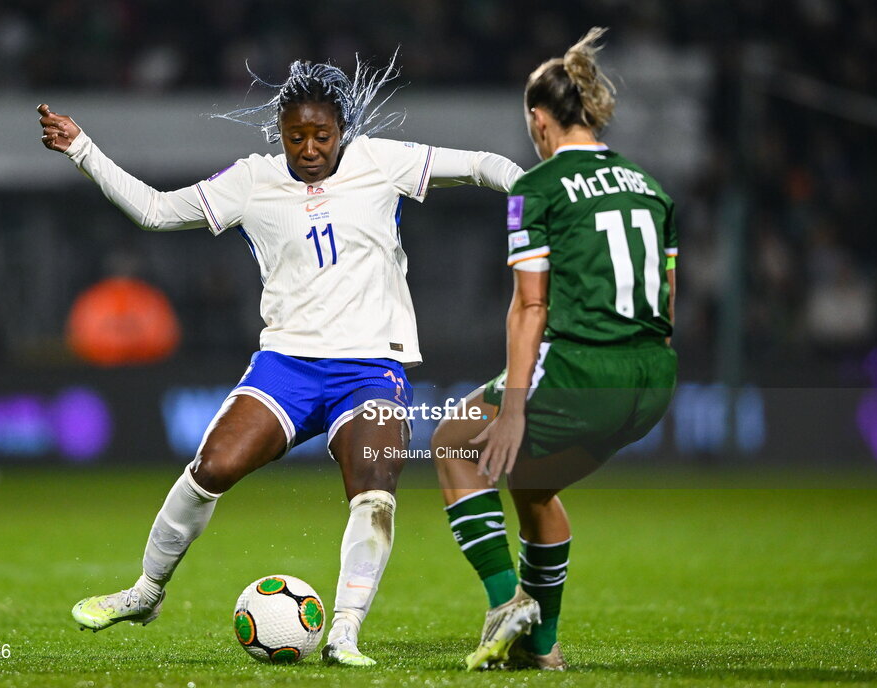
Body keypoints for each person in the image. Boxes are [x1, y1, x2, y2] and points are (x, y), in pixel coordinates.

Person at [38, 55, 523, 667]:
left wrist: (531, 190)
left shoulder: (383, 162)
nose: (310, 148)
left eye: (322, 135)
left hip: (370, 367)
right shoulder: (252, 180)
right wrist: (83, 148)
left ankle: (344, 631)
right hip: (287, 366)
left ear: (342, 130)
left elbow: (483, 166)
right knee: (210, 468)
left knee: (374, 491)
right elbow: (156, 211)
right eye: (297, 136)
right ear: (281, 132)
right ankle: (145, 592)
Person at [432, 27, 678, 671]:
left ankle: (504, 603)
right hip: (653, 380)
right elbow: (669, 300)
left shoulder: (535, 191)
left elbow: (531, 305)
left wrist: (513, 407)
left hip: (581, 368)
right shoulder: (651, 188)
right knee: (533, 487)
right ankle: (542, 651)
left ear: (539, 119)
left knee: (455, 441)